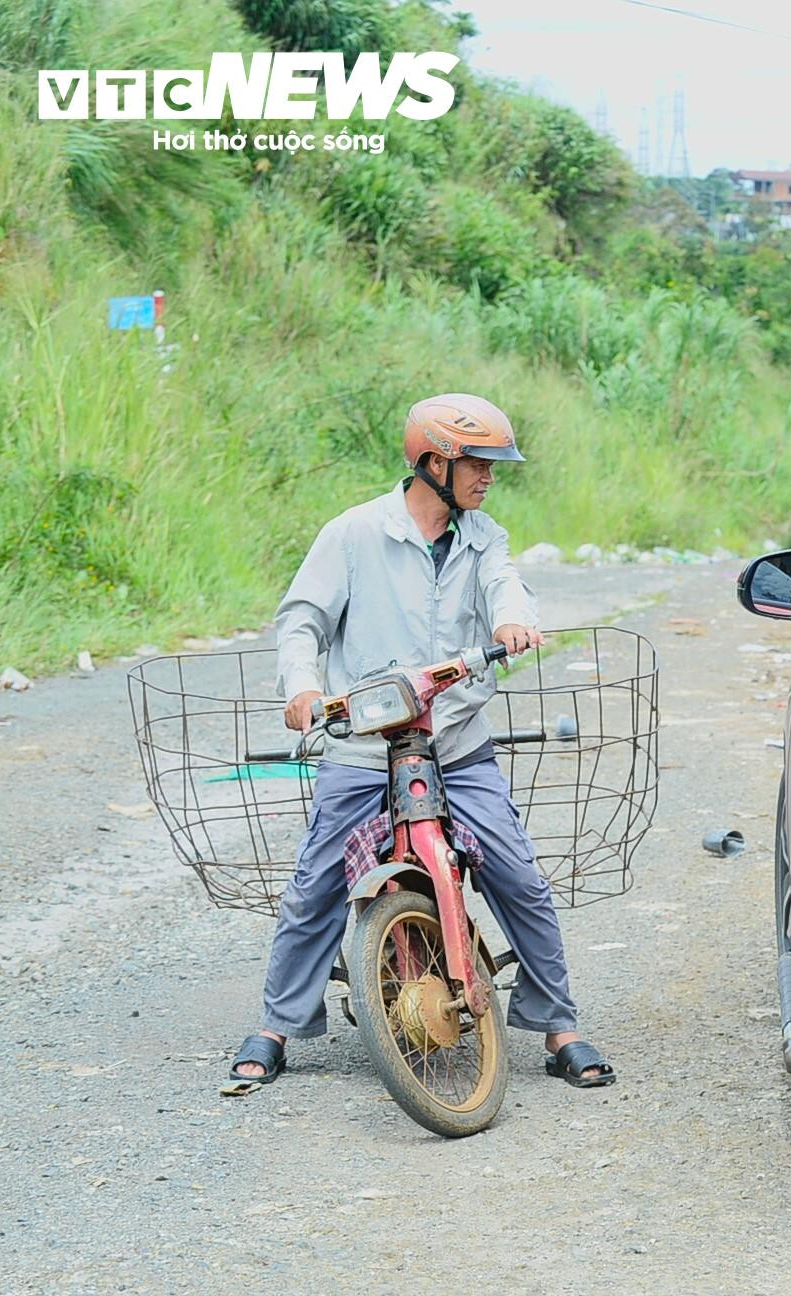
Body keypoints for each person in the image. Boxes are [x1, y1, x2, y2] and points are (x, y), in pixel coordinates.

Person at [228, 394, 613, 1090]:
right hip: (362, 743)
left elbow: (506, 588)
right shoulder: (352, 534)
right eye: (478, 464)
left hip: (456, 742)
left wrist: (514, 624)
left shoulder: (482, 537)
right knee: (315, 885)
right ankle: (276, 1026)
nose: (488, 478)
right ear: (434, 462)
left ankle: (561, 1026)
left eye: (494, 465)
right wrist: (302, 687)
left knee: (518, 877)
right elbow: (303, 621)